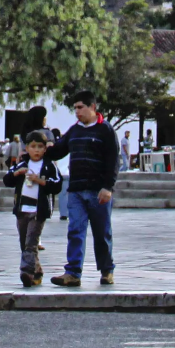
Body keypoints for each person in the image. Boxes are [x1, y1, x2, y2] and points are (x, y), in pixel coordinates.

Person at [46, 91, 119, 287]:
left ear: (92, 107)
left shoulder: (106, 130)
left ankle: (106, 270)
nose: (77, 112)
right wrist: (40, 150)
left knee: (102, 232)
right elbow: (60, 150)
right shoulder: (75, 130)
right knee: (75, 229)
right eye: (75, 108)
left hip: (98, 190)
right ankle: (73, 272)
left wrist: (108, 187)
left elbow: (113, 161)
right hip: (76, 189)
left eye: (80, 107)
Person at [3, 130, 63, 287]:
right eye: (33, 146)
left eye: (40, 147)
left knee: (31, 242)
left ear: (45, 149)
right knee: (24, 242)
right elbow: (7, 180)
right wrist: (16, 174)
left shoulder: (49, 166)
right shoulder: (22, 164)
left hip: (38, 210)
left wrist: (40, 181)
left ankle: (27, 272)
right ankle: (37, 271)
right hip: (22, 209)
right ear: (27, 148)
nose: (36, 150)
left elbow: (57, 185)